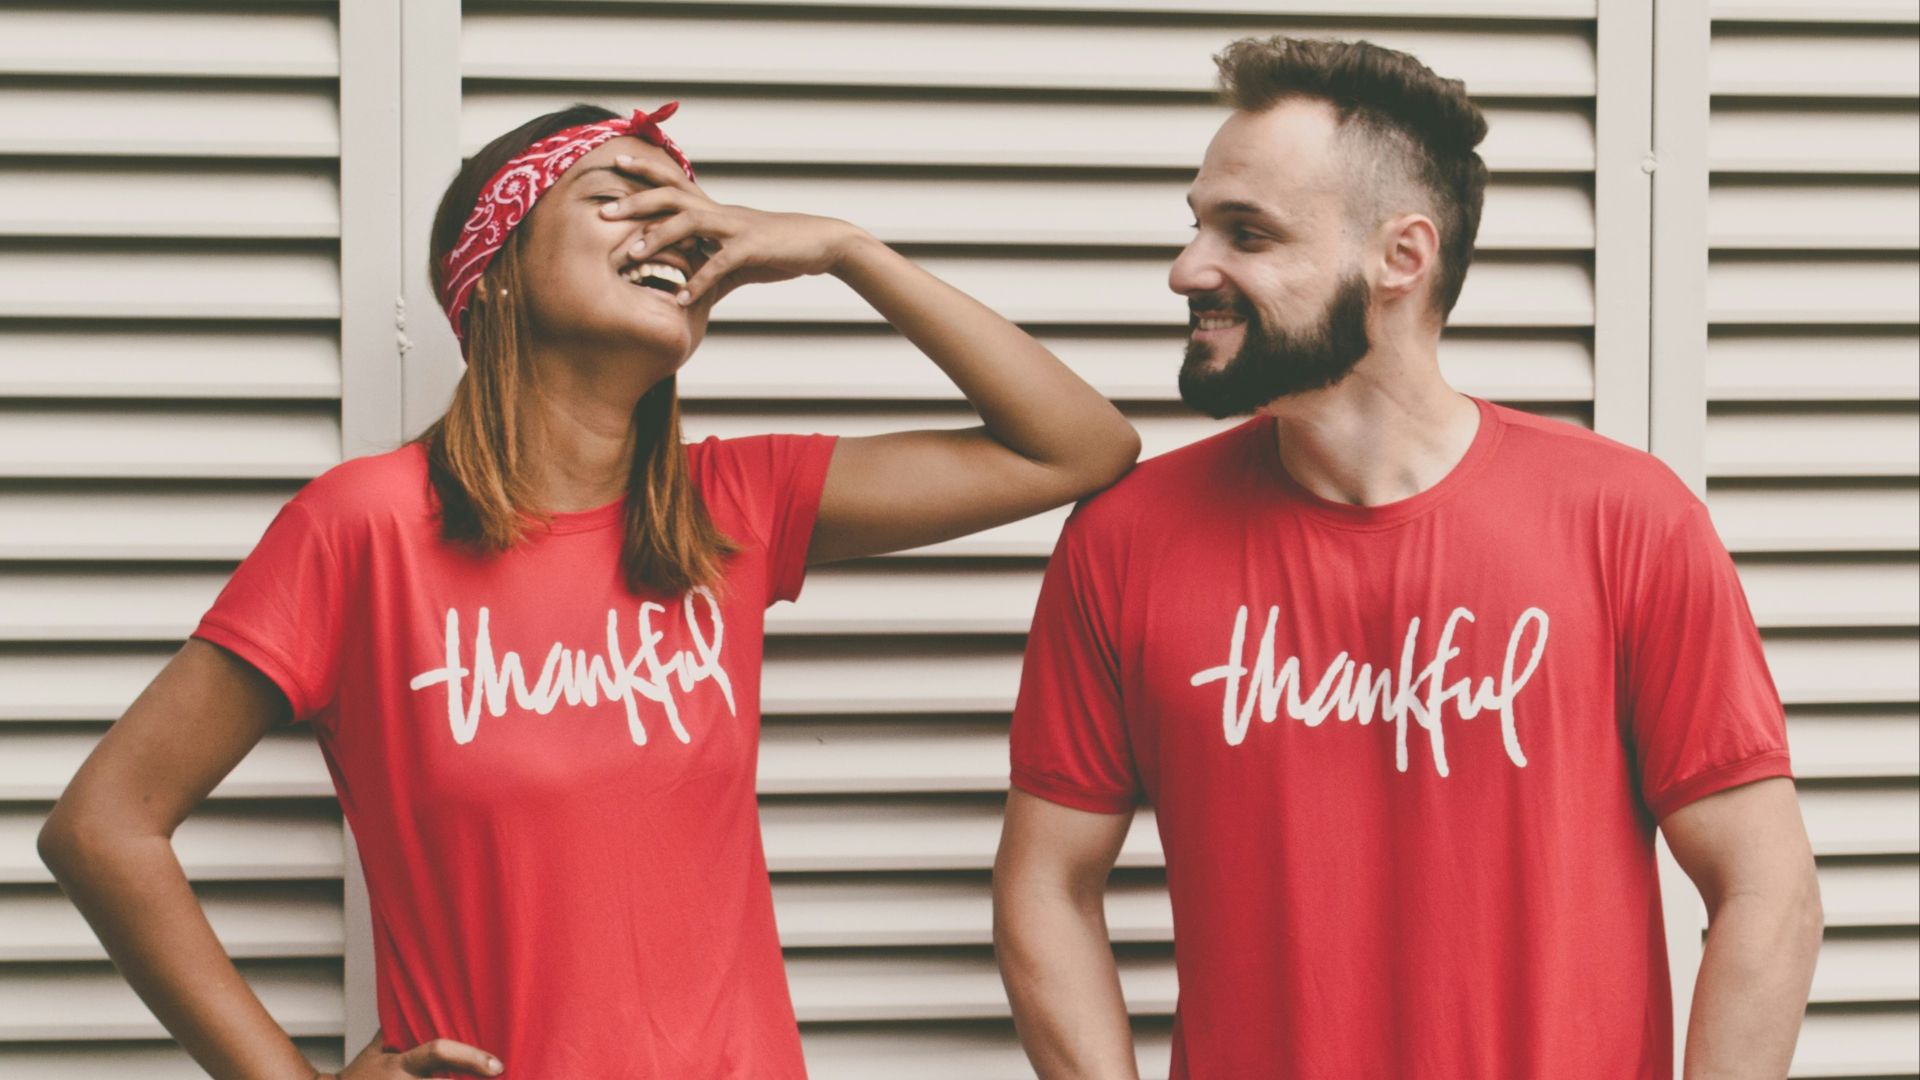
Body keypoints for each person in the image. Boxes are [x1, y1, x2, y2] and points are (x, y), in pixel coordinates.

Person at [37, 101, 1140, 1079]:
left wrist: (846, 251)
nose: (676, 230)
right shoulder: (360, 528)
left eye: (689, 213)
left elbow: (1078, 448)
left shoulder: (731, 509)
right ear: (497, 266)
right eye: (621, 198)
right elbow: (104, 827)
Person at [992, 36, 1823, 1080]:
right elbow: (1045, 889)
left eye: (1246, 233)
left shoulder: (1625, 520)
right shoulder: (1125, 542)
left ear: (1402, 256)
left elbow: (1767, 887)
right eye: (1197, 224)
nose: (1189, 268)